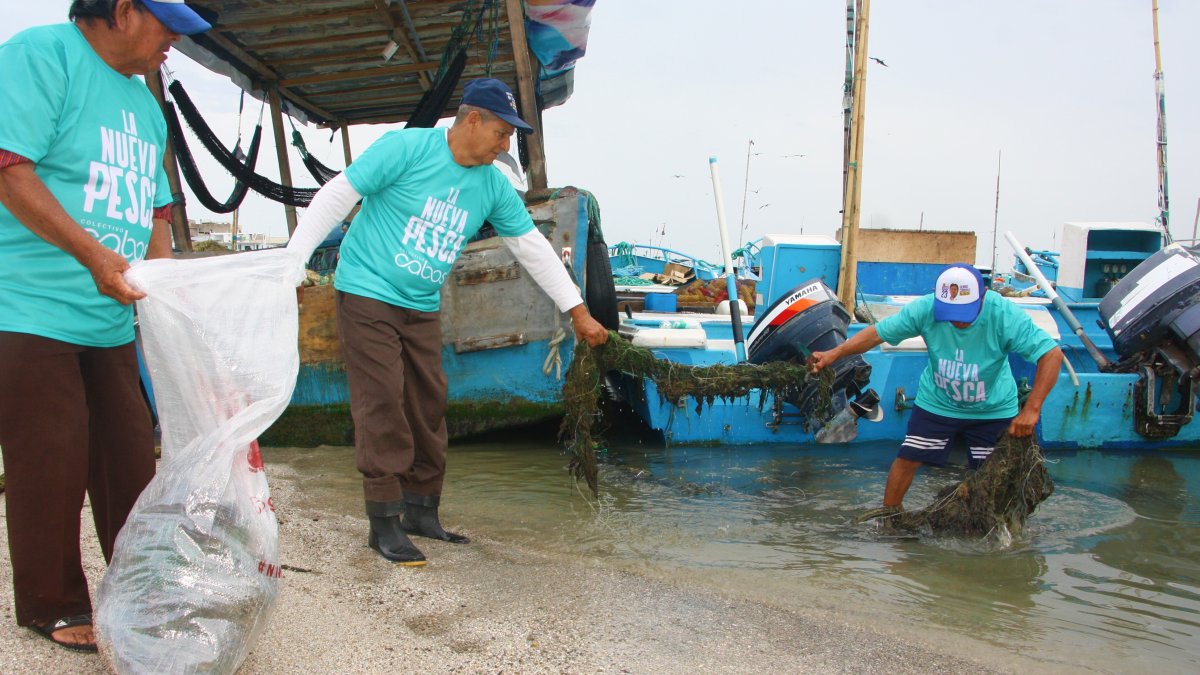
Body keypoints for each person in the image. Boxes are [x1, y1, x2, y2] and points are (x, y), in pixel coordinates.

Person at [285, 78, 609, 567]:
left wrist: (579, 312)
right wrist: (293, 262)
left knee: (429, 403)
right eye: (502, 133)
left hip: (420, 302)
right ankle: (384, 522)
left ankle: (421, 510)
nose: (505, 146)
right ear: (472, 118)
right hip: (367, 289)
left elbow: (532, 249)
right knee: (382, 402)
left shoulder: (492, 185)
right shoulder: (407, 149)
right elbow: (339, 193)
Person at [0, 0, 210, 653]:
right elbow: (9, 167)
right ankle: (51, 602)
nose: (174, 40)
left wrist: (164, 292)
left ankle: (141, 588)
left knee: (128, 458)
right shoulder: (42, 56)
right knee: (50, 456)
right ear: (121, 10)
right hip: (29, 304)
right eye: (167, 23)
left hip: (110, 313)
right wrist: (92, 255)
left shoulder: (145, 105)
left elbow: (155, 212)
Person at [808, 264, 1063, 512]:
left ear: (982, 297)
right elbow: (878, 334)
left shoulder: (1003, 314)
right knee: (908, 457)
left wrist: (1032, 410)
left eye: (964, 314)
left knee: (994, 475)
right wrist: (835, 353)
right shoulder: (926, 308)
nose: (957, 322)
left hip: (992, 408)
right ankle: (889, 518)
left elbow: (1051, 354)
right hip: (938, 403)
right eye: (950, 314)